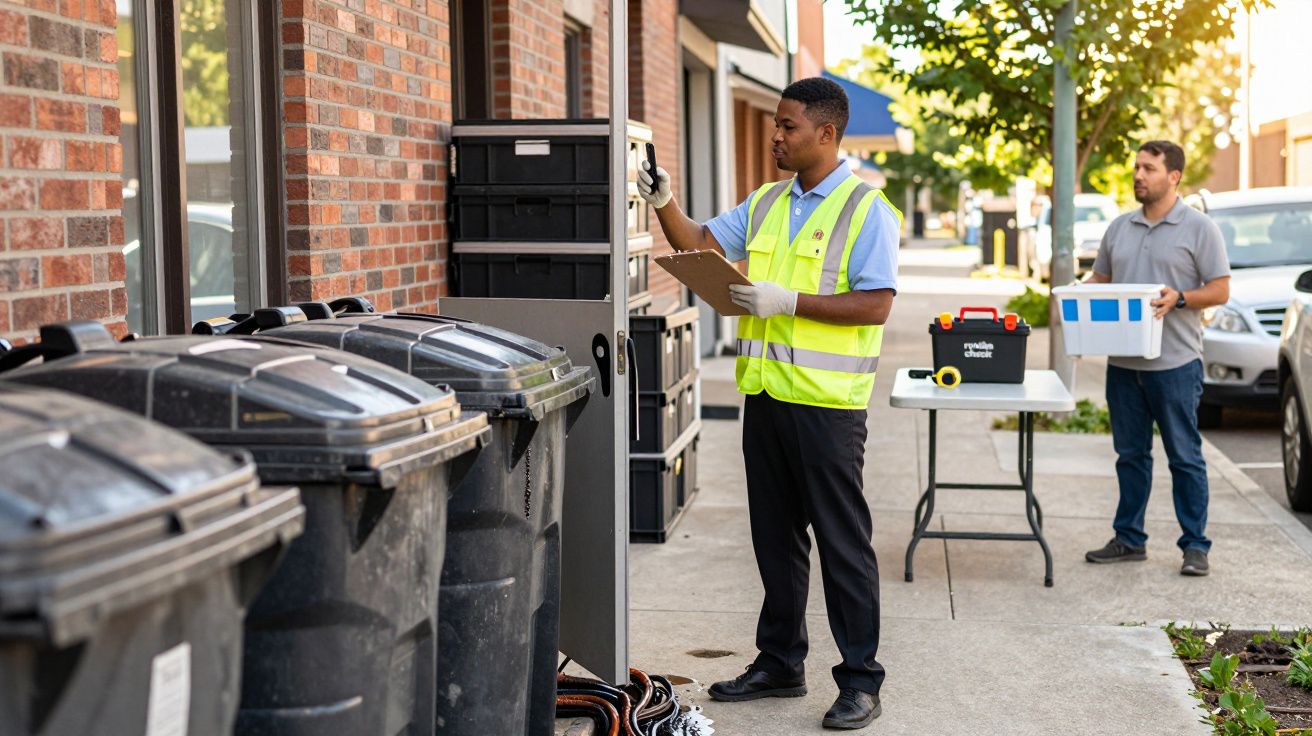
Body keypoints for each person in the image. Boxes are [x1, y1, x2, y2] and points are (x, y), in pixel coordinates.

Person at [636, 76, 901, 730]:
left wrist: (788, 301)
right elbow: (699, 243)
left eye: (786, 125)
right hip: (766, 398)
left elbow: (876, 302)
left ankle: (862, 680)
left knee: (843, 545)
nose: (776, 135)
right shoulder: (766, 202)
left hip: (829, 407)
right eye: (776, 125)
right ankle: (781, 661)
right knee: (775, 543)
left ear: (826, 133)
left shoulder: (869, 210)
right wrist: (663, 201)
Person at [1083, 140, 1231, 576]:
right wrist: (1079, 291)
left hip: (1176, 366)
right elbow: (1102, 279)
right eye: (1137, 168)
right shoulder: (1119, 228)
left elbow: (1220, 289)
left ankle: (1195, 546)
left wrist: (1181, 298)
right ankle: (1129, 538)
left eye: (1149, 168)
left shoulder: (1200, 228)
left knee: (1184, 456)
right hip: (1124, 366)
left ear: (1174, 176)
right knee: (1130, 457)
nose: (1139, 175)